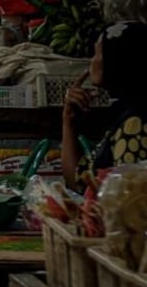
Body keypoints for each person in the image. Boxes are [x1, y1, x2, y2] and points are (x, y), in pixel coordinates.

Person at [62, 22, 147, 187]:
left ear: (117, 58)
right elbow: (78, 183)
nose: (92, 62)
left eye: (97, 53)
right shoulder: (124, 113)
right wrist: (68, 120)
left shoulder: (135, 122)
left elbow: (127, 204)